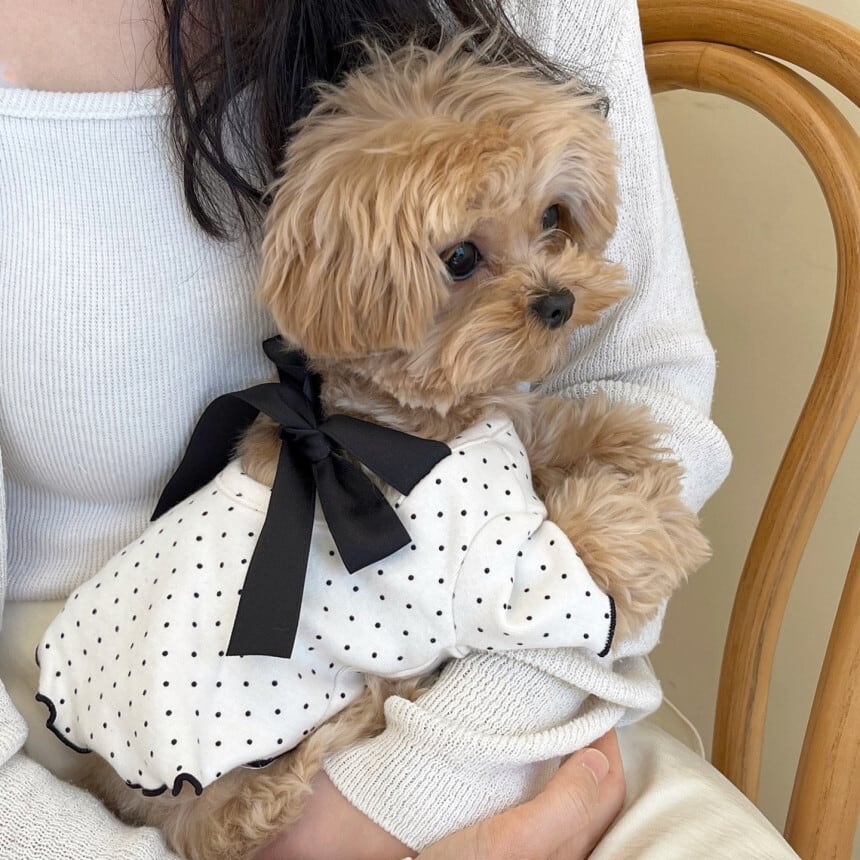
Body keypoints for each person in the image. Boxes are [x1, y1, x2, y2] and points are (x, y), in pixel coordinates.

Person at [0, 1, 793, 859]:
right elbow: (579, 583)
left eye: (551, 224)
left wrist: (398, 800)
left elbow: (643, 382)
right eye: (464, 259)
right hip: (167, 768)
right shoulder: (428, 488)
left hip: (516, 698)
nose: (551, 287)